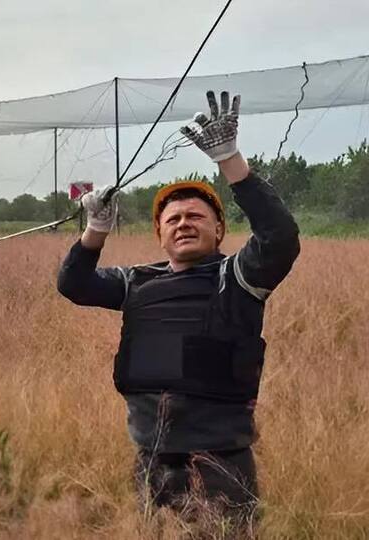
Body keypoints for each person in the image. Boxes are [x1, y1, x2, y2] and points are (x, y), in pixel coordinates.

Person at [57, 91, 300, 530]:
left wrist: (231, 162)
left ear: (219, 228)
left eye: (196, 216)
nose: (184, 223)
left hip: (220, 467)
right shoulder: (137, 282)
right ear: (160, 234)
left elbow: (280, 237)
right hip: (150, 462)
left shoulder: (239, 278)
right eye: (173, 219)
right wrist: (95, 230)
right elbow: (74, 284)